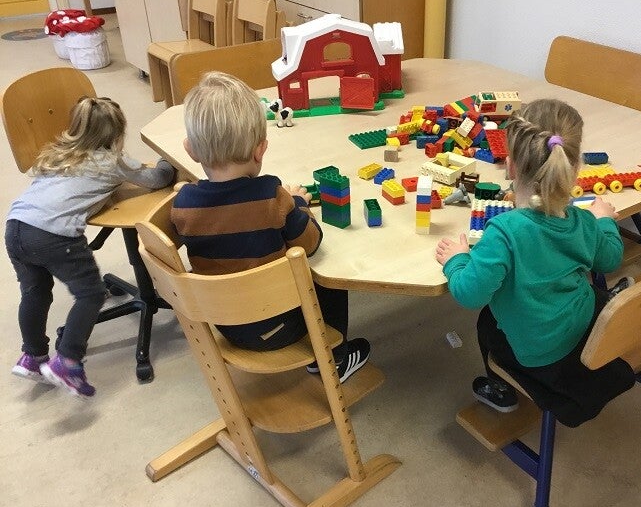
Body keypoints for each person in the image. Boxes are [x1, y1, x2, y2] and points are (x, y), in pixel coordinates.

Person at [435, 98, 635, 427]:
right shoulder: (582, 221)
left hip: (540, 354)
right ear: (575, 166)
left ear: (511, 166)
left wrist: (456, 261)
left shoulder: (504, 232)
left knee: (487, 322)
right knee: (580, 289)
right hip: (583, 324)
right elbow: (611, 257)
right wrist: (604, 220)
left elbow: (469, 294)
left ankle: (500, 387)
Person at [171, 71, 370, 383]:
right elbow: (310, 243)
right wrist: (299, 204)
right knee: (330, 279)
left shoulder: (183, 205)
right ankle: (334, 359)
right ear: (260, 150)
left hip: (224, 323)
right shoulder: (272, 197)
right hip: (283, 325)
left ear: (190, 150)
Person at [6, 96, 175, 397]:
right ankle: (68, 361)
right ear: (117, 134)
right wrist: (168, 159)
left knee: (34, 292)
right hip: (54, 236)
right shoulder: (111, 162)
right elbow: (156, 178)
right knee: (91, 293)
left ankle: (33, 357)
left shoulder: (56, 154)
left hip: (17, 226)